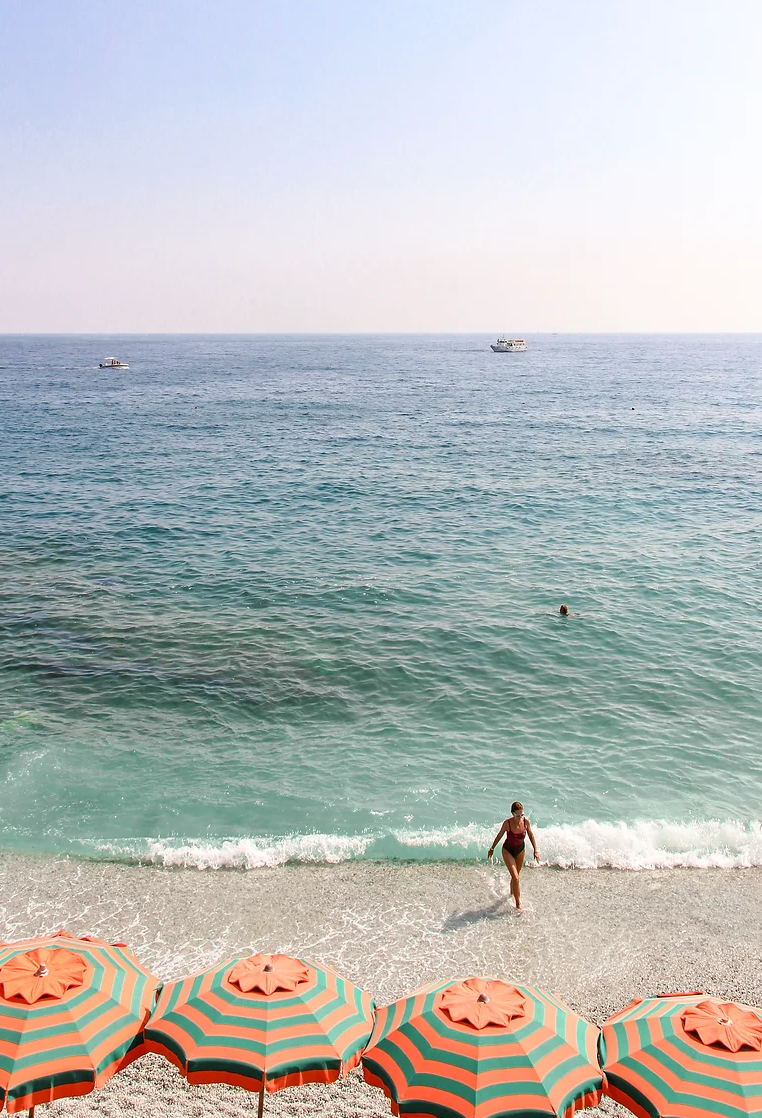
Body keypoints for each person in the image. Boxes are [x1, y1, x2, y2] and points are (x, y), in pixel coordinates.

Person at [487, 801, 539, 911]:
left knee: (515, 877)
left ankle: (511, 894)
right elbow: (499, 835)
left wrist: (536, 850)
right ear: (512, 814)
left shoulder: (525, 822)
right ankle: (518, 904)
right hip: (508, 851)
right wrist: (492, 848)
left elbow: (530, 835)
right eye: (517, 815)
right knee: (515, 877)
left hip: (520, 850)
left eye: (522, 814)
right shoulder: (507, 823)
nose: (520, 817)